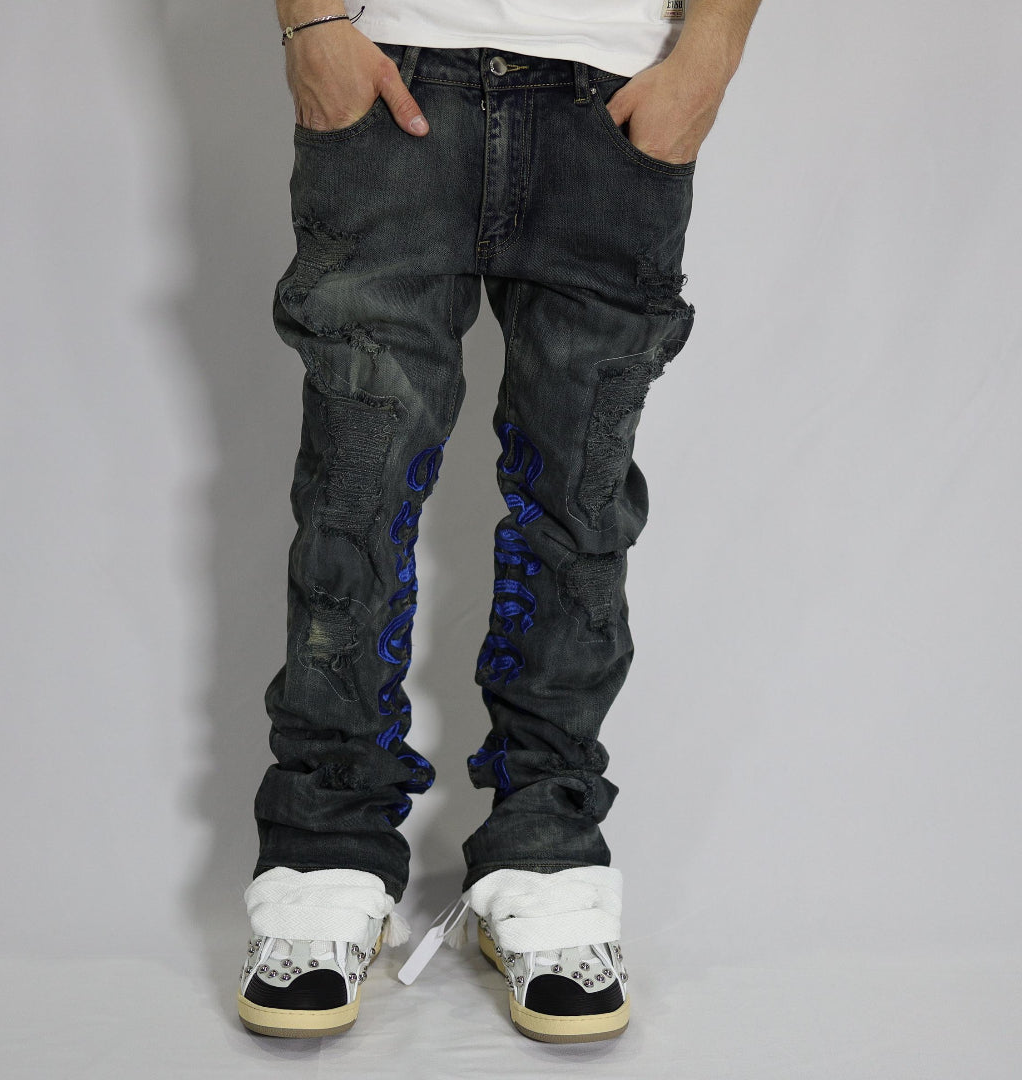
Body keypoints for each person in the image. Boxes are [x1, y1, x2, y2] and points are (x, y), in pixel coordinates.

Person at [237, 0, 762, 1043]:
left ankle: (545, 850)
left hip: (614, 94)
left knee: (579, 503)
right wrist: (311, 22)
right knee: (355, 492)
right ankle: (324, 851)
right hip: (393, 70)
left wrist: (707, 59)